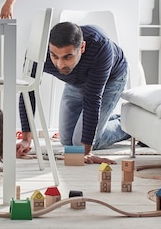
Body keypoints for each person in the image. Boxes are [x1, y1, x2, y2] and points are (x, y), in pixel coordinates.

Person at [16, 22, 130, 165]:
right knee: (67, 141)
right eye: (54, 56)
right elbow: (28, 91)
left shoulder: (101, 47)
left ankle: (130, 126)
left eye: (67, 57)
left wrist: (86, 152)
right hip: (75, 82)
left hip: (110, 80)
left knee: (79, 144)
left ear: (81, 47)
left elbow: (93, 100)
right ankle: (104, 121)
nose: (60, 65)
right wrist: (26, 139)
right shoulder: (37, 50)